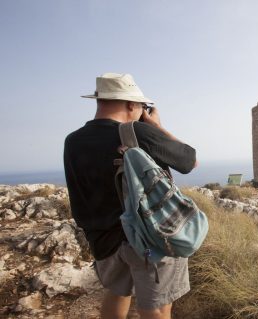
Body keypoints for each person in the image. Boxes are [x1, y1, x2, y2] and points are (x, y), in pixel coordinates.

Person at [64, 73, 197, 319]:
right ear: (132, 104)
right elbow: (190, 160)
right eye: (142, 106)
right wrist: (156, 126)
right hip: (148, 238)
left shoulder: (72, 141)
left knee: (117, 294)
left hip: (102, 240)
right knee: (156, 307)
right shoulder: (137, 132)